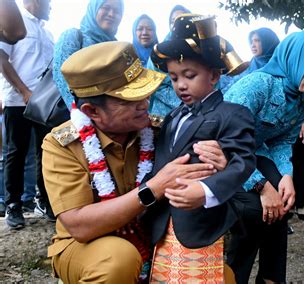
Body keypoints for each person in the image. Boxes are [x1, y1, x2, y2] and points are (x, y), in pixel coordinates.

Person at [42, 41, 229, 283]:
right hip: (86, 246)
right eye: (129, 100)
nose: (144, 104)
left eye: (144, 92)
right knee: (118, 260)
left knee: (221, 275)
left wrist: (219, 167)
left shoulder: (162, 131)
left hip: (152, 236)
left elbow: (202, 183)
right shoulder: (62, 144)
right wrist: (153, 189)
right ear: (92, 111)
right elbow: (79, 226)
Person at [147, 14, 256, 282]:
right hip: (162, 220)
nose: (180, 84)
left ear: (215, 75)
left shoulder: (233, 113)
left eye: (189, 75)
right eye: (173, 77)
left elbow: (243, 162)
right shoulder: (172, 116)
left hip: (203, 220)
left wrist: (206, 190)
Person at [225, 29, 304, 283]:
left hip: (253, 151)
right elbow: (226, 141)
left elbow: (283, 140)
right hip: (221, 156)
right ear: (297, 59)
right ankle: (233, 276)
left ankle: (272, 278)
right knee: (254, 209)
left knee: (282, 202)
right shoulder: (258, 85)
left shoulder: (302, 97)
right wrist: (261, 186)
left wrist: (285, 176)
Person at [0, 0, 54, 229]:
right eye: (48, 2)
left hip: (45, 103)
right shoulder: (14, 22)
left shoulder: (48, 33)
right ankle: (13, 204)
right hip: (17, 102)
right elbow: (2, 59)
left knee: (47, 152)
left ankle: (46, 199)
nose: (51, 6)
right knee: (16, 151)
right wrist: (23, 91)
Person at [53, 0, 123, 110]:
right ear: (93, 8)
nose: (111, 14)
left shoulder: (118, 47)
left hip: (109, 118)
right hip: (77, 115)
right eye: (106, 7)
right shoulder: (73, 36)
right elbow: (61, 76)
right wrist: (78, 112)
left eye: (117, 11)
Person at [219, 27, 280, 93]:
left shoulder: (280, 66)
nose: (252, 45)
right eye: (251, 41)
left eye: (257, 40)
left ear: (268, 42)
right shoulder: (247, 68)